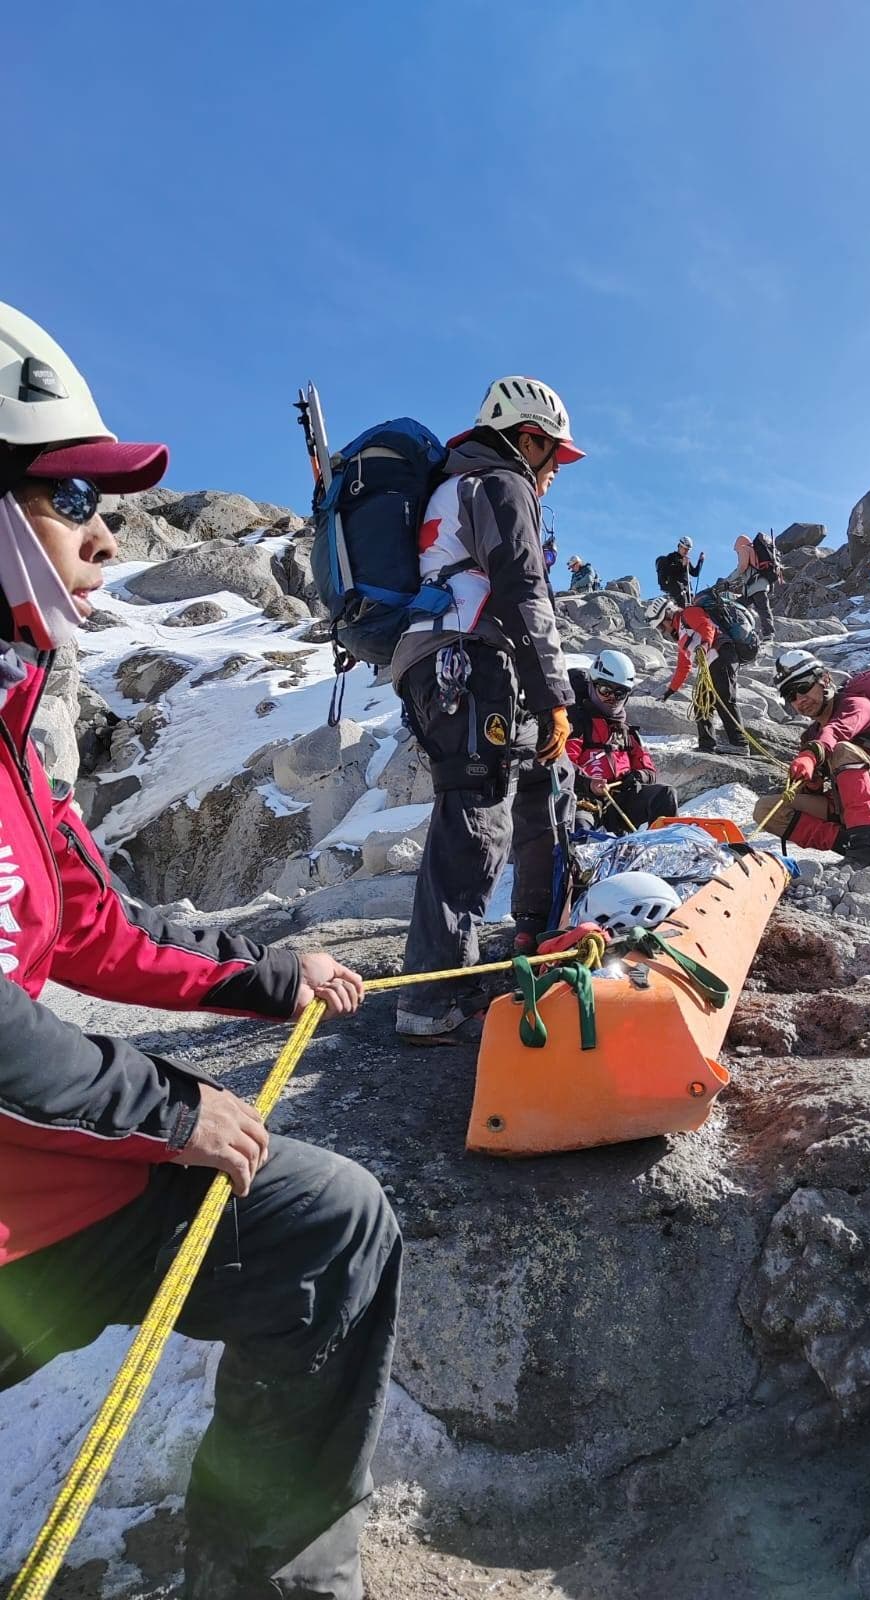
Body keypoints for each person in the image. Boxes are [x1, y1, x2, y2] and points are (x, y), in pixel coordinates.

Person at [0, 302, 400, 1600]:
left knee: (329, 1224)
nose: (105, 531)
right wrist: (170, 1107)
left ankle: (255, 1576)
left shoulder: (11, 728)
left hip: (33, 1207)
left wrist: (265, 975)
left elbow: (96, 923)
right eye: (68, 493)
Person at [390, 375, 583, 1025]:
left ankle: (537, 931)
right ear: (529, 440)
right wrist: (555, 694)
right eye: (555, 454)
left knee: (540, 783)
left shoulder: (458, 482)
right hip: (468, 662)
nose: (557, 470)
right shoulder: (503, 483)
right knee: (475, 818)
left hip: (442, 665)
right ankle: (432, 997)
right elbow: (524, 589)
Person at [752, 647, 870, 867]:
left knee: (844, 750)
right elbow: (812, 785)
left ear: (824, 680)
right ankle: (850, 846)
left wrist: (811, 756)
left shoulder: (856, 705)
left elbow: (836, 732)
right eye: (790, 695)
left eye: (803, 688)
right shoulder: (811, 735)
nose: (800, 699)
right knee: (766, 809)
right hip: (847, 810)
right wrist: (811, 783)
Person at [566, 650, 678, 834]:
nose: (612, 698)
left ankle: (662, 849)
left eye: (620, 693)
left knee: (665, 795)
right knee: (581, 830)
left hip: (621, 799)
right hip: (585, 801)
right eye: (605, 690)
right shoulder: (576, 723)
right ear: (592, 686)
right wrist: (588, 783)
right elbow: (563, 766)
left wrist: (637, 777)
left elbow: (649, 770)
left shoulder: (625, 730)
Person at [645, 596, 748, 755]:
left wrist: (705, 645)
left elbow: (707, 626)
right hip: (711, 663)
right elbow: (683, 666)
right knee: (701, 702)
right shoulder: (681, 636)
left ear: (667, 615)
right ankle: (706, 745)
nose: (663, 631)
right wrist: (670, 691)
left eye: (660, 626)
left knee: (724, 697)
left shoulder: (689, 613)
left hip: (724, 654)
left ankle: (740, 744)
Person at [734, 531, 780, 640]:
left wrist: (728, 580)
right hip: (756, 587)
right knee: (738, 607)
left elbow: (742, 567)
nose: (737, 552)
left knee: (762, 609)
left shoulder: (745, 549)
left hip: (756, 587)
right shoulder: (754, 551)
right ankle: (752, 633)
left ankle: (768, 634)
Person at [656, 535, 704, 607]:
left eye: (688, 550)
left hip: (688, 592)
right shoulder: (671, 557)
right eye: (684, 548)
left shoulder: (685, 560)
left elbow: (695, 573)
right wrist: (682, 565)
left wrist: (701, 561)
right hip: (677, 592)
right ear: (679, 546)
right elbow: (669, 571)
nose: (686, 551)